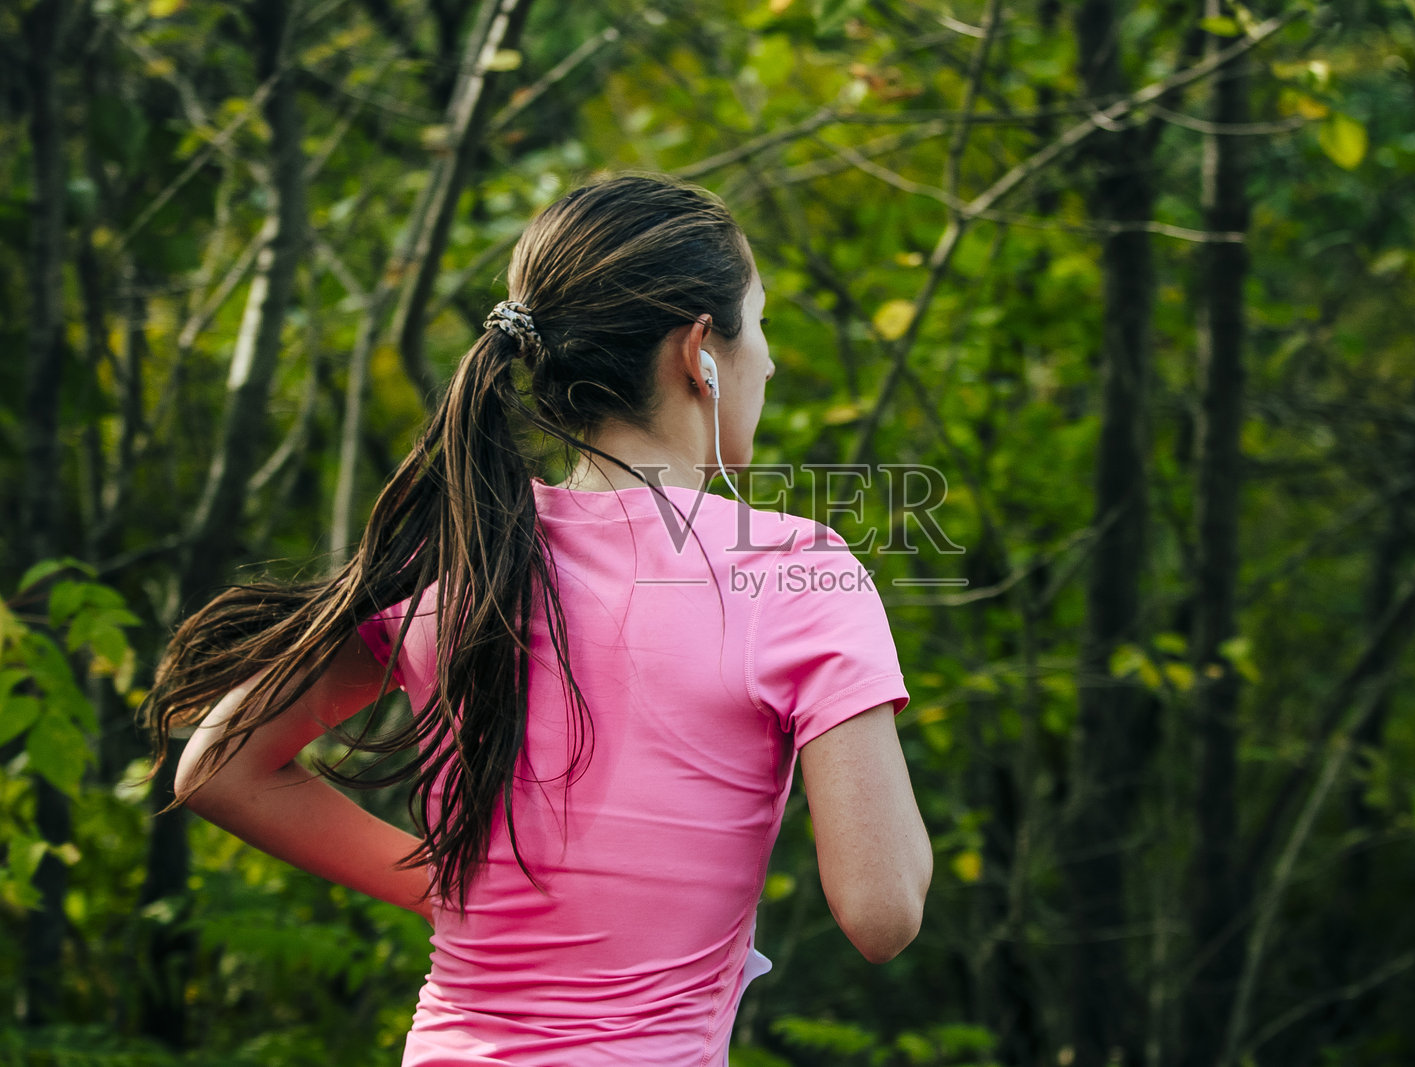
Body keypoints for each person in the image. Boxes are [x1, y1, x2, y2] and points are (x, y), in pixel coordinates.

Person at [145, 174, 932, 1065]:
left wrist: (455, 890)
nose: (774, 360)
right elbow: (882, 910)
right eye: (760, 321)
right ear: (699, 350)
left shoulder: (467, 553)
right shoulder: (793, 569)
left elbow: (217, 764)